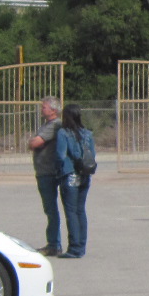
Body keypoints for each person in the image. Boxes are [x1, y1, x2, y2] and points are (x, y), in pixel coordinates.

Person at [55, 103, 93, 259]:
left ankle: (74, 247)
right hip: (85, 175)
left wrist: (57, 171)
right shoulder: (87, 134)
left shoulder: (63, 133)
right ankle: (81, 245)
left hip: (70, 174)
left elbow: (60, 155)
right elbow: (92, 155)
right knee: (80, 210)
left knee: (71, 212)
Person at [28, 95, 64, 257]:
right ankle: (54, 243)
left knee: (51, 209)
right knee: (50, 209)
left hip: (48, 172)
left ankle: (54, 244)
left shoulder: (54, 125)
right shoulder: (48, 125)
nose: (42, 109)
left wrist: (32, 142)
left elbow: (35, 142)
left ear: (53, 110)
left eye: (44, 107)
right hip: (44, 171)